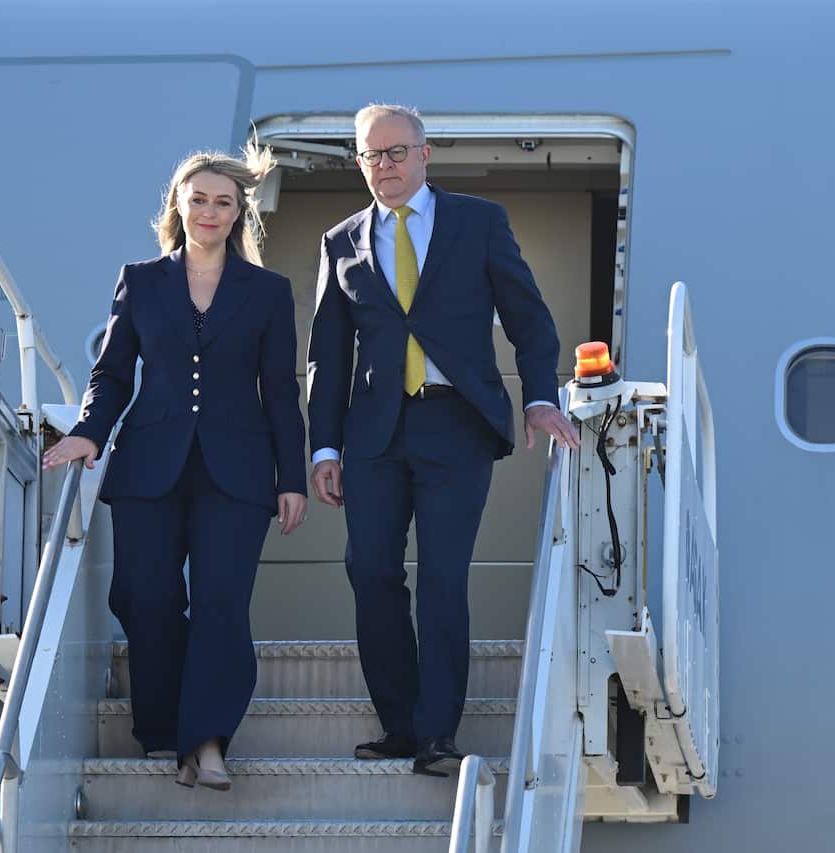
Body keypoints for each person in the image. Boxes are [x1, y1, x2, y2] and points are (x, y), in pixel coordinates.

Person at [305, 104, 581, 777]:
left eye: (396, 152)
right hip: (373, 433)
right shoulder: (341, 241)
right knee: (370, 570)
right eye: (371, 155)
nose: (384, 166)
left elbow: (530, 319)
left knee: (442, 576)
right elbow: (327, 357)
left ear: (425, 154)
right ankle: (399, 725)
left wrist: (539, 397)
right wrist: (324, 447)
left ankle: (437, 736)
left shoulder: (477, 222)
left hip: (456, 423)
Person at [43, 147, 308, 792]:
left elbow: (280, 390)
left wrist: (291, 478)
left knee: (221, 601)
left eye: (224, 202)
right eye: (199, 199)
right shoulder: (140, 280)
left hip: (239, 471)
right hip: (148, 466)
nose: (210, 211)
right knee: (148, 597)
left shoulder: (268, 292)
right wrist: (88, 432)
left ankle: (208, 741)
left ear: (239, 212)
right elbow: (112, 372)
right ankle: (165, 729)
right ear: (178, 206)